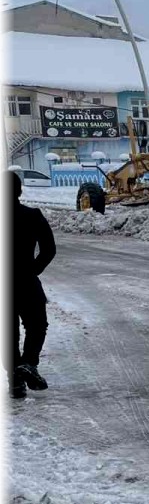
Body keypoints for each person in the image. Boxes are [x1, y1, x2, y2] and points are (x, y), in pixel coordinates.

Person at [6, 171, 55, 399]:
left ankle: (14, 382)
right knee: (37, 325)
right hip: (26, 280)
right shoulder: (32, 215)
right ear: (20, 191)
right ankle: (29, 363)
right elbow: (49, 250)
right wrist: (33, 270)